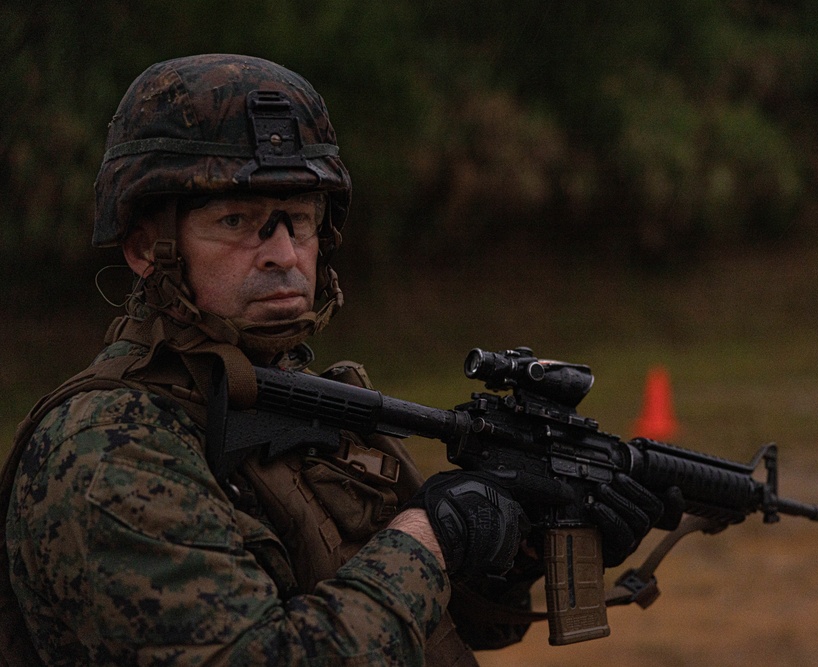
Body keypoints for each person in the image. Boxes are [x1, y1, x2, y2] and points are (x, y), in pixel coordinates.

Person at [1, 54, 669, 666]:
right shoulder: (108, 448)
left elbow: (429, 621)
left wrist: (523, 548)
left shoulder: (295, 404)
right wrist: (431, 533)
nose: (284, 254)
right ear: (147, 248)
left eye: (299, 218)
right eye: (239, 221)